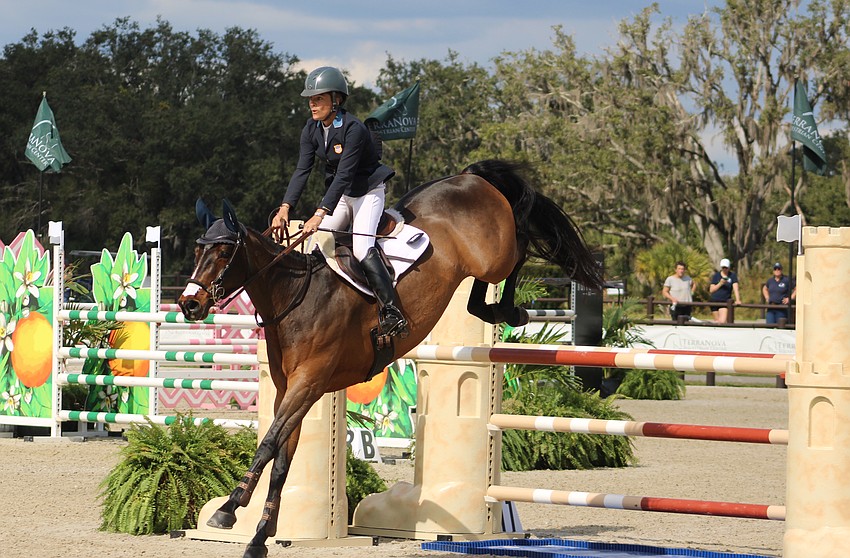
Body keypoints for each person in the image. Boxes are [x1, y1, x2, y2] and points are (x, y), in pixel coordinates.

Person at [270, 66, 406, 336]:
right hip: (343, 194)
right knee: (319, 244)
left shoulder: (354, 129)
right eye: (311, 99)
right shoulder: (311, 129)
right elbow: (302, 170)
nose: (312, 104)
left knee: (360, 246)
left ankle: (392, 310)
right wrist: (285, 208)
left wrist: (319, 214)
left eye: (318, 98)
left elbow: (344, 175)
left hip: (368, 191)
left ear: (336, 100)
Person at [708, 258, 741, 323]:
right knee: (717, 322)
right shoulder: (716, 276)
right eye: (723, 267)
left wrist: (738, 299)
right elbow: (711, 290)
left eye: (726, 267)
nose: (725, 269)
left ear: (729, 267)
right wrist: (720, 283)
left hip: (724, 301)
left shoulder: (732, 276)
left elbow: (735, 288)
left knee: (722, 321)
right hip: (714, 301)